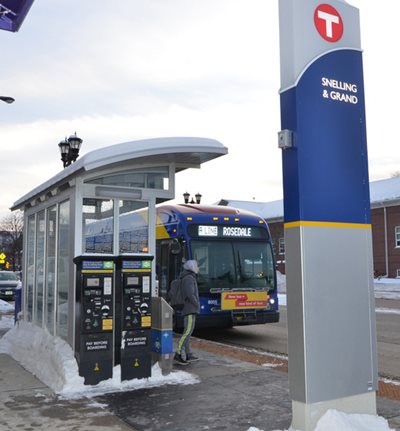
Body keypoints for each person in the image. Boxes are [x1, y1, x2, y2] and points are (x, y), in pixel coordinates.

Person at [174, 259, 200, 365]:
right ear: (192, 267)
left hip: (190, 309)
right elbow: (190, 294)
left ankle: (188, 354)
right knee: (187, 333)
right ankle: (178, 353)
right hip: (189, 309)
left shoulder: (188, 277)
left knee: (188, 333)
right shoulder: (189, 278)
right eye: (197, 266)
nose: (198, 268)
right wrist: (197, 303)